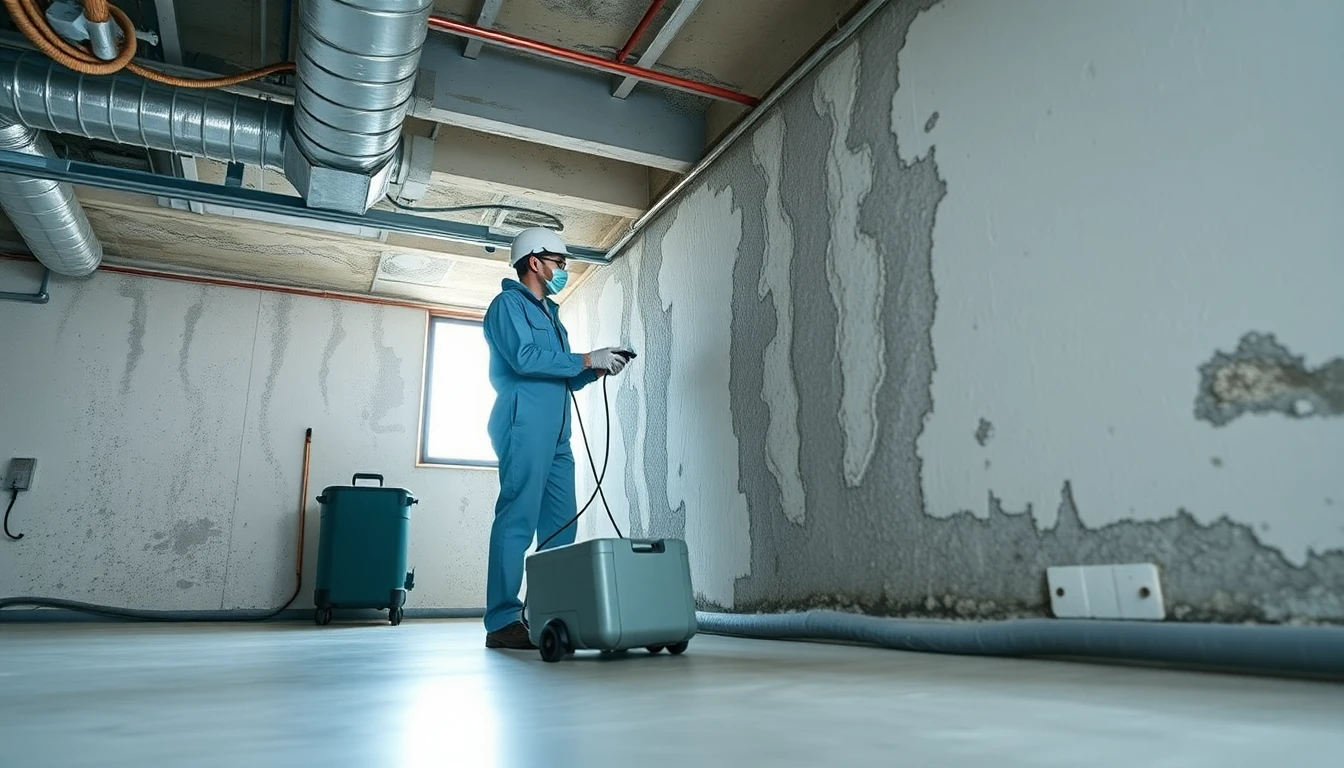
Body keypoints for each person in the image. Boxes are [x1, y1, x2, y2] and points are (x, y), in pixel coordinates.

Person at [481, 227, 631, 649]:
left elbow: (561, 374)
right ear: (534, 262)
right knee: (518, 519)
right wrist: (582, 357)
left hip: (558, 431)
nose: (563, 269)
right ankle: (503, 620)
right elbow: (526, 359)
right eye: (558, 262)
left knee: (561, 524)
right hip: (523, 422)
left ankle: (545, 610)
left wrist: (594, 368)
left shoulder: (553, 314)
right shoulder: (507, 305)